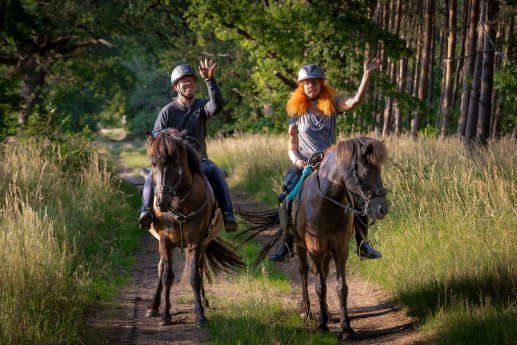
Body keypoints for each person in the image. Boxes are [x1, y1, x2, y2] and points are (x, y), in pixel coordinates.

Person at [270, 59, 382, 261]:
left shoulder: (331, 105)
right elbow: (292, 147)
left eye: (314, 82)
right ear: (301, 87)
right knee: (285, 195)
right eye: (306, 83)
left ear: (322, 84)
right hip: (304, 163)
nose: (310, 86)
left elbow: (355, 101)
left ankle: (363, 242)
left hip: (332, 164)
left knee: (356, 193)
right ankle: (286, 243)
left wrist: (366, 75)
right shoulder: (296, 112)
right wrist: (297, 161)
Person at [139, 59, 238, 232]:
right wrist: (170, 134)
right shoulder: (167, 111)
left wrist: (210, 80)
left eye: (191, 80)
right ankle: (146, 211)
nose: (188, 83)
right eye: (184, 81)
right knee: (150, 176)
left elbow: (216, 106)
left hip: (199, 159)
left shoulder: (201, 106)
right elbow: (155, 137)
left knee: (214, 171)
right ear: (176, 87)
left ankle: (228, 214)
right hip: (174, 161)